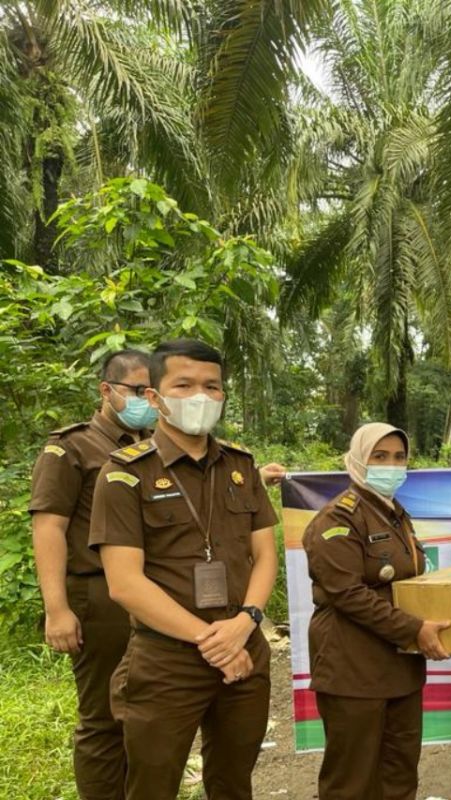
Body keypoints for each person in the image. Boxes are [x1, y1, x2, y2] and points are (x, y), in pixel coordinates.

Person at [89, 339, 278, 800]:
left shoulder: (241, 466)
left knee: (234, 783)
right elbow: (125, 584)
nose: (200, 396)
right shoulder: (123, 475)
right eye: (184, 384)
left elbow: (265, 554)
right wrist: (213, 641)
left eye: (212, 386)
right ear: (154, 397)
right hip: (166, 660)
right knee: (153, 785)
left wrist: (245, 622)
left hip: (243, 649)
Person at [29, 349, 156, 799]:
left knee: (144, 713)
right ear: (107, 390)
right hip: (98, 598)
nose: (146, 400)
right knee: (104, 719)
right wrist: (57, 609)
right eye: (137, 391)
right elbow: (49, 527)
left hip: (149, 599)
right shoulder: (72, 447)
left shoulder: (152, 446)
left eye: (151, 392)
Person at [302, 422, 451, 800]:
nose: (392, 465)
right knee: (351, 783)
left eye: (399, 457)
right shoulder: (337, 519)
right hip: (353, 670)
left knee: (399, 775)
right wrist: (416, 629)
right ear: (357, 461)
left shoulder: (396, 515)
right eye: (379, 457)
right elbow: (348, 594)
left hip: (401, 669)